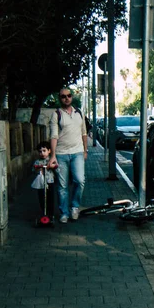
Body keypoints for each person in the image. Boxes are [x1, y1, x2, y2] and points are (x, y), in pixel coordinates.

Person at [48, 88, 88, 223]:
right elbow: (53, 136)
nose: (66, 98)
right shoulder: (56, 114)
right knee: (62, 186)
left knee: (80, 180)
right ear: (60, 98)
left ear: (72, 97)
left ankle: (75, 206)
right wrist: (52, 155)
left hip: (77, 152)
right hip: (61, 154)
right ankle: (64, 212)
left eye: (69, 95)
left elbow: (84, 133)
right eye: (63, 96)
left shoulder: (79, 113)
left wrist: (85, 150)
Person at [32, 141, 57, 221]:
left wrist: (54, 167)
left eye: (44, 151)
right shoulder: (37, 161)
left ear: (49, 151)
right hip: (41, 183)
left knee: (50, 198)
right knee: (41, 198)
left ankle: (51, 214)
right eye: (40, 151)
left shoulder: (51, 160)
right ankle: (44, 212)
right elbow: (33, 170)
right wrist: (37, 168)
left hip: (50, 182)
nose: (42, 153)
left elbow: (58, 169)